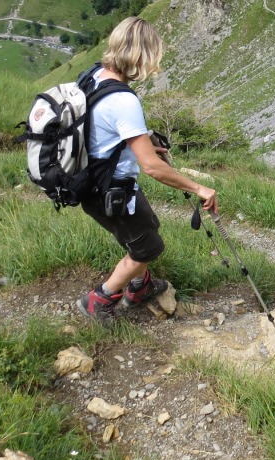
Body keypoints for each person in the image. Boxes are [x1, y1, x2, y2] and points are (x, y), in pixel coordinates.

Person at [76, 17, 218, 323]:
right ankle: (98, 301)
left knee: (147, 226)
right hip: (110, 190)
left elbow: (101, 129)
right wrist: (199, 188)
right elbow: (152, 167)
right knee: (147, 249)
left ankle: (140, 286)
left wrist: (141, 145)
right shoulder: (123, 100)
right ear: (144, 56)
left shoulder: (94, 75)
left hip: (93, 180)